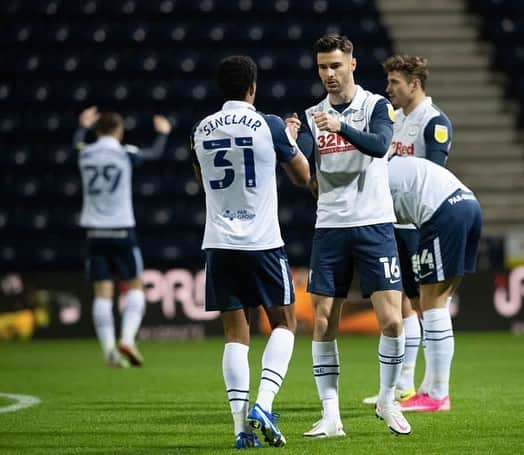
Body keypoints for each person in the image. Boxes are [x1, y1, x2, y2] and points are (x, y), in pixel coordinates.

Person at [293, 34, 411, 437]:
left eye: (336, 65)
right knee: (323, 321)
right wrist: (291, 142)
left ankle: (387, 399)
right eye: (323, 66)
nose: (329, 74)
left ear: (352, 65)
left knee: (393, 321)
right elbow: (305, 169)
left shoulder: (376, 105)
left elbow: (379, 146)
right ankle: (330, 416)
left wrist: (340, 125)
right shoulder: (312, 115)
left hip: (375, 224)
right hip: (329, 227)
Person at [190, 55, 310, 449]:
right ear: (253, 87)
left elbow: (202, 181)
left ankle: (241, 430)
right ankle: (264, 402)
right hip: (261, 242)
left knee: (234, 336)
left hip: (220, 243)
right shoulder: (270, 124)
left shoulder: (200, 129)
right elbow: (302, 177)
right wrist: (290, 138)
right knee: (285, 324)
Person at [363, 54, 454, 409]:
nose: (388, 90)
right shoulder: (394, 120)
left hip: (418, 224)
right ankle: (403, 384)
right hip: (392, 220)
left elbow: (432, 177)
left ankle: (433, 387)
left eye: (394, 83)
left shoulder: (434, 122)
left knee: (422, 302)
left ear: (414, 84)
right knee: (402, 302)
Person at [75, 106, 171, 368]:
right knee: (135, 285)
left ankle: (108, 350)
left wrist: (82, 127)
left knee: (102, 292)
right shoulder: (124, 153)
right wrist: (162, 134)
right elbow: (154, 153)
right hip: (122, 230)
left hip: (94, 232)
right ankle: (127, 338)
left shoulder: (84, 154)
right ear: (119, 131)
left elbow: (77, 144)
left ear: (97, 130)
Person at [387, 154, 481, 411]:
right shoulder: (392, 164)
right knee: (440, 300)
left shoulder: (373, 175)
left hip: (444, 212)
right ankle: (430, 388)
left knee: (432, 303)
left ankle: (438, 395)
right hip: (468, 203)